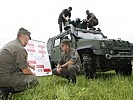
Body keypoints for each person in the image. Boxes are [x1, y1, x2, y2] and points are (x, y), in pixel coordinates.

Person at [0, 27, 38, 92]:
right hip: (4, 78)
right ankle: (6, 90)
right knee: (34, 79)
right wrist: (33, 73)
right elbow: (25, 71)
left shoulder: (12, 44)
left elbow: (15, 60)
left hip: (2, 74)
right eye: (28, 39)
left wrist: (28, 65)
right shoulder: (20, 49)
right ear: (26, 38)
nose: (28, 42)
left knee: (20, 72)